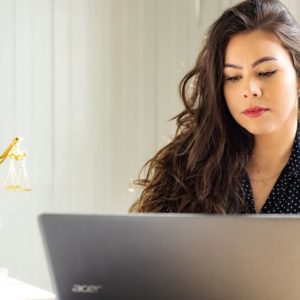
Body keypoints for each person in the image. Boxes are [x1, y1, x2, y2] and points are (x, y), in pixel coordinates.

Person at [129, 0, 300, 214]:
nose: (250, 90)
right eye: (233, 77)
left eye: (265, 72)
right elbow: (147, 245)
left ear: (297, 75)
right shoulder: (189, 165)